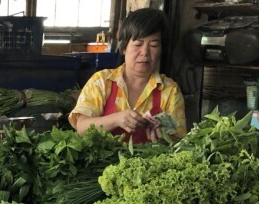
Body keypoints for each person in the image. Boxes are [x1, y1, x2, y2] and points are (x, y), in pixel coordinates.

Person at [68, 8, 187, 143]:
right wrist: (115, 119)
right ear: (124, 48)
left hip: (150, 162)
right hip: (103, 163)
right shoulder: (101, 81)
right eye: (138, 44)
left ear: (161, 50)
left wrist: (165, 139)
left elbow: (181, 141)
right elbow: (81, 127)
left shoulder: (169, 90)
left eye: (153, 45)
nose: (145, 53)